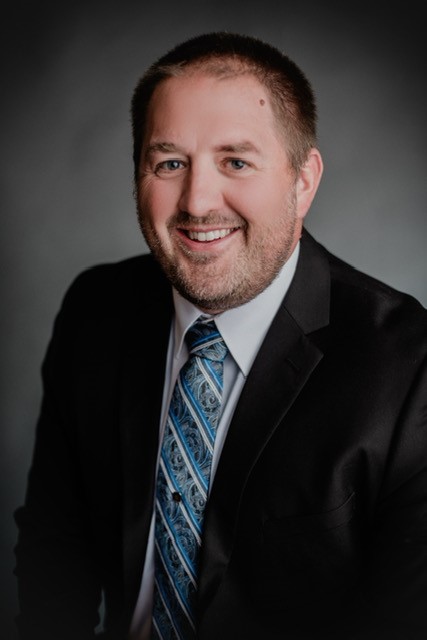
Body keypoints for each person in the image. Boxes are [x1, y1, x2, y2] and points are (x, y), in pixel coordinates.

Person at [14, 31, 427, 640]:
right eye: (169, 163)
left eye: (235, 161)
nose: (198, 201)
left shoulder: (409, 365)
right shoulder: (95, 310)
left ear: (303, 180)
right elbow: (54, 547)